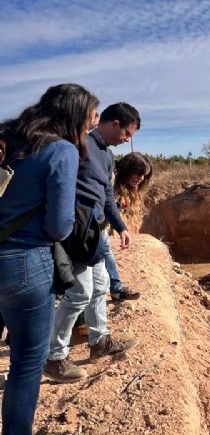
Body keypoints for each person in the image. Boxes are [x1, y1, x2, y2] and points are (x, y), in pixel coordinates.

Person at [0, 84, 99, 434]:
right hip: (23, 263)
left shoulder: (6, 138)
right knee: (26, 362)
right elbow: (58, 227)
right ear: (74, 114)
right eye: (91, 115)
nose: (94, 122)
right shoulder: (60, 150)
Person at [45, 102, 141, 384]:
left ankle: (99, 341)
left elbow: (108, 197)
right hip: (74, 235)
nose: (127, 139)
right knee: (79, 294)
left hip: (96, 234)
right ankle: (54, 356)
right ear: (113, 124)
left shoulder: (108, 156)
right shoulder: (77, 145)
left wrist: (121, 226)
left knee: (100, 288)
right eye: (127, 133)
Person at [106, 152, 153, 301]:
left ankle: (116, 288)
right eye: (138, 173)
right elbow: (107, 205)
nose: (140, 178)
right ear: (127, 169)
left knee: (106, 251)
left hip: (101, 228)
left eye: (144, 175)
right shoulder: (111, 179)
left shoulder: (120, 183)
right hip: (88, 226)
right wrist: (121, 228)